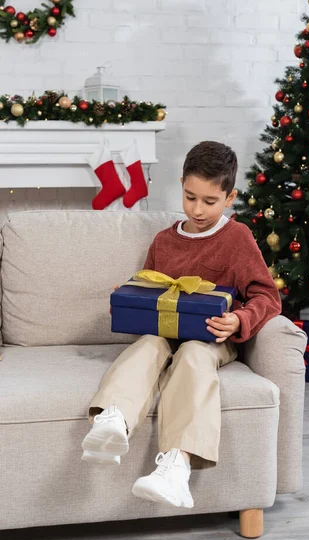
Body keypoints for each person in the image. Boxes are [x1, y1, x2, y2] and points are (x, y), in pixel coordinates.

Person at [81, 141, 282, 509]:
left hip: (211, 337)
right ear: (181, 185)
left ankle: (176, 466)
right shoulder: (164, 240)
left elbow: (267, 296)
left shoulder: (237, 238)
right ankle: (113, 420)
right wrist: (130, 295)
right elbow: (150, 288)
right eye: (190, 197)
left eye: (210, 201)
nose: (198, 209)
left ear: (230, 197)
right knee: (146, 347)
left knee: (192, 356)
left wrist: (239, 319)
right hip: (162, 331)